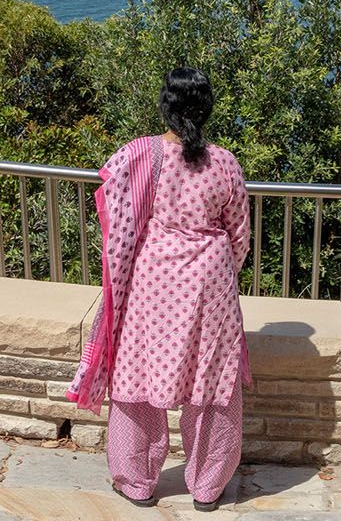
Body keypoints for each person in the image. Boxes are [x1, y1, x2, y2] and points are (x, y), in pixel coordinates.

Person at [66, 69, 251, 512]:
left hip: (153, 281)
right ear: (205, 109)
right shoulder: (224, 162)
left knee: (136, 377)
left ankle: (136, 481)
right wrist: (219, 267)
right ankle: (208, 486)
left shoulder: (138, 154)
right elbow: (240, 234)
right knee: (212, 382)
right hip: (211, 282)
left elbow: (115, 209)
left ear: (165, 107)